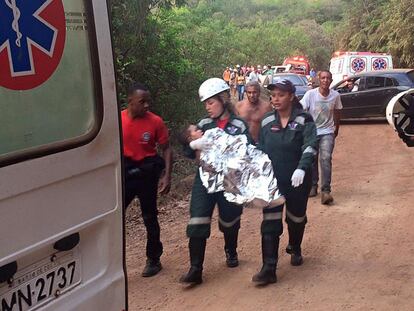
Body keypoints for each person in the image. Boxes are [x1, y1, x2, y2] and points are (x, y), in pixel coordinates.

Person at [180, 78, 251, 285]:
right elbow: (187, 149)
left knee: (229, 220)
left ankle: (231, 249)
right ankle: (195, 269)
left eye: (211, 102)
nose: (207, 107)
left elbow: (249, 151)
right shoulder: (203, 125)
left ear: (223, 99)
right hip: (204, 181)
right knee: (197, 220)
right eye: (205, 103)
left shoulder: (239, 126)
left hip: (229, 181)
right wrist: (193, 145)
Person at [252, 79, 317, 285]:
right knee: (269, 222)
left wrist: (302, 167)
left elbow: (310, 145)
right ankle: (269, 268)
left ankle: (295, 246)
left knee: (296, 218)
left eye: (280, 94)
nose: (276, 99)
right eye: (273, 95)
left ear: (291, 96)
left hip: (298, 179)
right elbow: (261, 149)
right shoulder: (266, 121)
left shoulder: (304, 119)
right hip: (273, 181)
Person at [122, 82, 173, 277]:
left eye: (148, 102)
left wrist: (166, 176)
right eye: (142, 102)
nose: (146, 106)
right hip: (126, 175)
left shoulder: (155, 122)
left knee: (150, 217)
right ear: (130, 101)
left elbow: (166, 148)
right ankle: (113, 262)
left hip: (146, 175)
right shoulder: (118, 120)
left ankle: (154, 259)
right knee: (116, 219)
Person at [300, 70, 342, 204]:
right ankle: (313, 186)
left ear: (331, 80)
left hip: (327, 132)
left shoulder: (335, 96)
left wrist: (336, 128)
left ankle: (326, 191)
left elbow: (337, 112)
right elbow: (301, 109)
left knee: (325, 158)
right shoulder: (310, 94)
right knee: (312, 159)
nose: (325, 80)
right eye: (323, 78)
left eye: (328, 78)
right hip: (312, 133)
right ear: (318, 79)